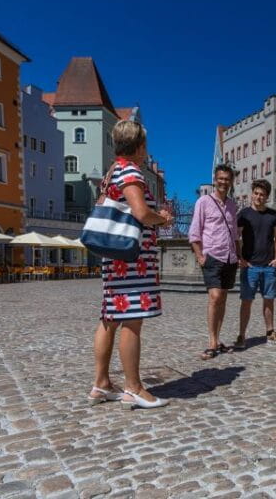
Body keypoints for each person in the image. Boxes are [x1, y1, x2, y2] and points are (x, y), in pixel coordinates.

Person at [90, 120, 174, 410]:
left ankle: (101, 382)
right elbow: (140, 212)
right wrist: (162, 218)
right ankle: (133, 387)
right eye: (145, 145)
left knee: (109, 318)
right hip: (132, 260)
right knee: (132, 320)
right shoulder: (130, 171)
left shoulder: (112, 170)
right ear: (139, 147)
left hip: (114, 258)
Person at [189, 164, 241, 360]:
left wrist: (239, 254)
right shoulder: (203, 201)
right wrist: (200, 256)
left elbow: (235, 233)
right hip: (212, 255)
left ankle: (218, 339)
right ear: (215, 179)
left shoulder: (232, 205)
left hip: (230, 257)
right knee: (215, 297)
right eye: (220, 178)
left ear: (231, 181)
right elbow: (195, 231)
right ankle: (211, 341)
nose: (223, 182)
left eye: (227, 179)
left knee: (223, 299)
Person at [236, 179, 276, 348]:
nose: (258, 197)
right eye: (256, 193)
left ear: (267, 197)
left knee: (269, 300)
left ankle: (270, 331)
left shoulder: (273, 215)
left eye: (262, 194)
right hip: (250, 266)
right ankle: (242, 335)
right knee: (246, 301)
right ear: (252, 194)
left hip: (268, 265)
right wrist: (240, 258)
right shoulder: (244, 214)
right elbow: (236, 237)